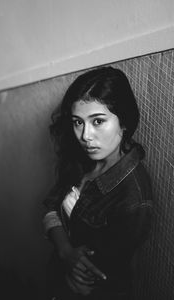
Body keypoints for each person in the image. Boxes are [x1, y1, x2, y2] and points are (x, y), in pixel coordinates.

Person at [42, 66, 153, 300]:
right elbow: (50, 206)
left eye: (98, 121)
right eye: (77, 122)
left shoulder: (133, 198)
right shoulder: (82, 158)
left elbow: (93, 280)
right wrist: (65, 251)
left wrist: (71, 269)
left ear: (124, 121)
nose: (85, 136)